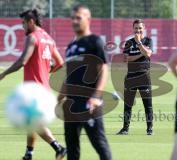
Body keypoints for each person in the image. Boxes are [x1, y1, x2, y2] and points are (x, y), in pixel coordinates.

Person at [0, 9, 66, 160]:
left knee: (32, 120)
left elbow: (22, 61)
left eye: (23, 23)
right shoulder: (49, 38)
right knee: (31, 120)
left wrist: (3, 74)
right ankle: (29, 153)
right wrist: (45, 69)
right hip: (44, 88)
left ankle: (58, 148)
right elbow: (60, 63)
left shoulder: (32, 37)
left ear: (31, 22)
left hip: (33, 89)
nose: (22, 26)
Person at [57, 5, 112, 160]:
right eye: (72, 18)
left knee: (99, 144)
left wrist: (96, 96)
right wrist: (58, 98)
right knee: (72, 149)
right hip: (71, 105)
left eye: (78, 17)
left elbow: (104, 70)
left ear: (88, 19)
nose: (74, 21)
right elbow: (69, 77)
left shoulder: (95, 42)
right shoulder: (70, 47)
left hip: (89, 104)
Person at [117, 19, 154, 135]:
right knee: (127, 105)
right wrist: (140, 54)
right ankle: (125, 129)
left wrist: (139, 43)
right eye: (136, 28)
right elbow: (125, 59)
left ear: (144, 29)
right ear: (133, 29)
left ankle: (149, 129)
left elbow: (148, 54)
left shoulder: (148, 41)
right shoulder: (128, 42)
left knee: (147, 104)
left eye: (140, 28)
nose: (138, 30)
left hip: (144, 76)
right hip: (130, 77)